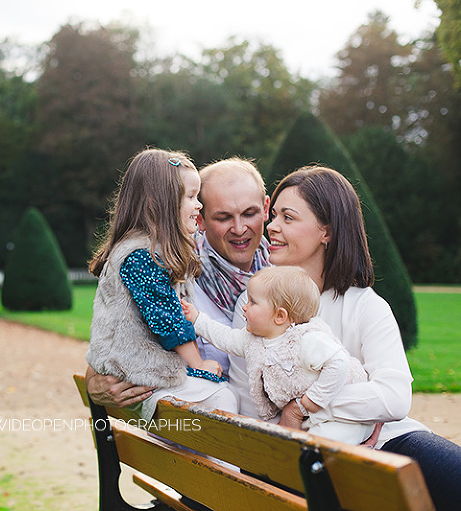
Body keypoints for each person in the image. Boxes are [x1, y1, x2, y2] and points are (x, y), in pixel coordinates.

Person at [248, 165, 461, 510]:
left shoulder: (365, 306)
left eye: (288, 217)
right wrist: (355, 412)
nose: (271, 226)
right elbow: (256, 400)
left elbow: (394, 398)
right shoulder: (256, 305)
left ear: (327, 232)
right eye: (275, 216)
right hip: (305, 456)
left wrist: (301, 406)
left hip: (391, 440)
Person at [85, 156, 271, 414]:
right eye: (223, 217)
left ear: (266, 208)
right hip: (213, 431)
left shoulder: (283, 273)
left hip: (258, 429)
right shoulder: (167, 262)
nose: (239, 228)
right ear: (202, 221)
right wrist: (93, 383)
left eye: (249, 213)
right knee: (222, 400)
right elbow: (157, 323)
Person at [182, 265, 373, 444]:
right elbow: (226, 337)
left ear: (280, 316)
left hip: (347, 413)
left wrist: (311, 401)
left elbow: (339, 363)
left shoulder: (306, 339)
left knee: (317, 446)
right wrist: (198, 319)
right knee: (299, 445)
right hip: (315, 416)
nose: (244, 307)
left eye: (253, 302)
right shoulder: (253, 340)